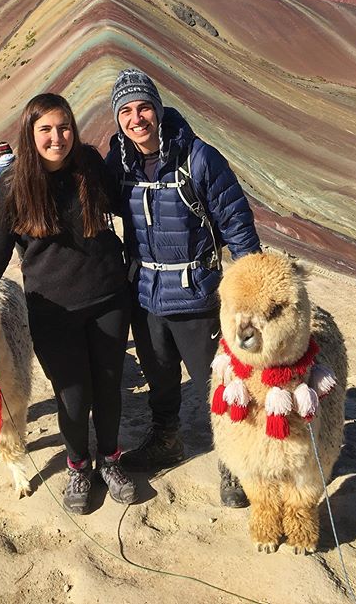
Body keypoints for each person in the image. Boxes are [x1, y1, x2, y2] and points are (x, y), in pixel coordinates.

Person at [105, 68, 261, 507]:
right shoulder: (117, 163)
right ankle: (166, 440)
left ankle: (233, 462)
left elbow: (237, 224)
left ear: (158, 108)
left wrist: (248, 292)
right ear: (118, 119)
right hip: (146, 295)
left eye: (144, 107)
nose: (137, 118)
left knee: (221, 382)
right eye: (127, 111)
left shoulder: (199, 158)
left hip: (197, 296)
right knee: (159, 378)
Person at [0, 93, 136, 515]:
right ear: (30, 134)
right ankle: (79, 465)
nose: (57, 137)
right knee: (72, 396)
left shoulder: (89, 165)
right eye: (45, 129)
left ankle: (111, 460)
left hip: (108, 299)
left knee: (107, 388)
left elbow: (128, 204)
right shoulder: (11, 187)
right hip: (53, 312)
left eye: (64, 127)